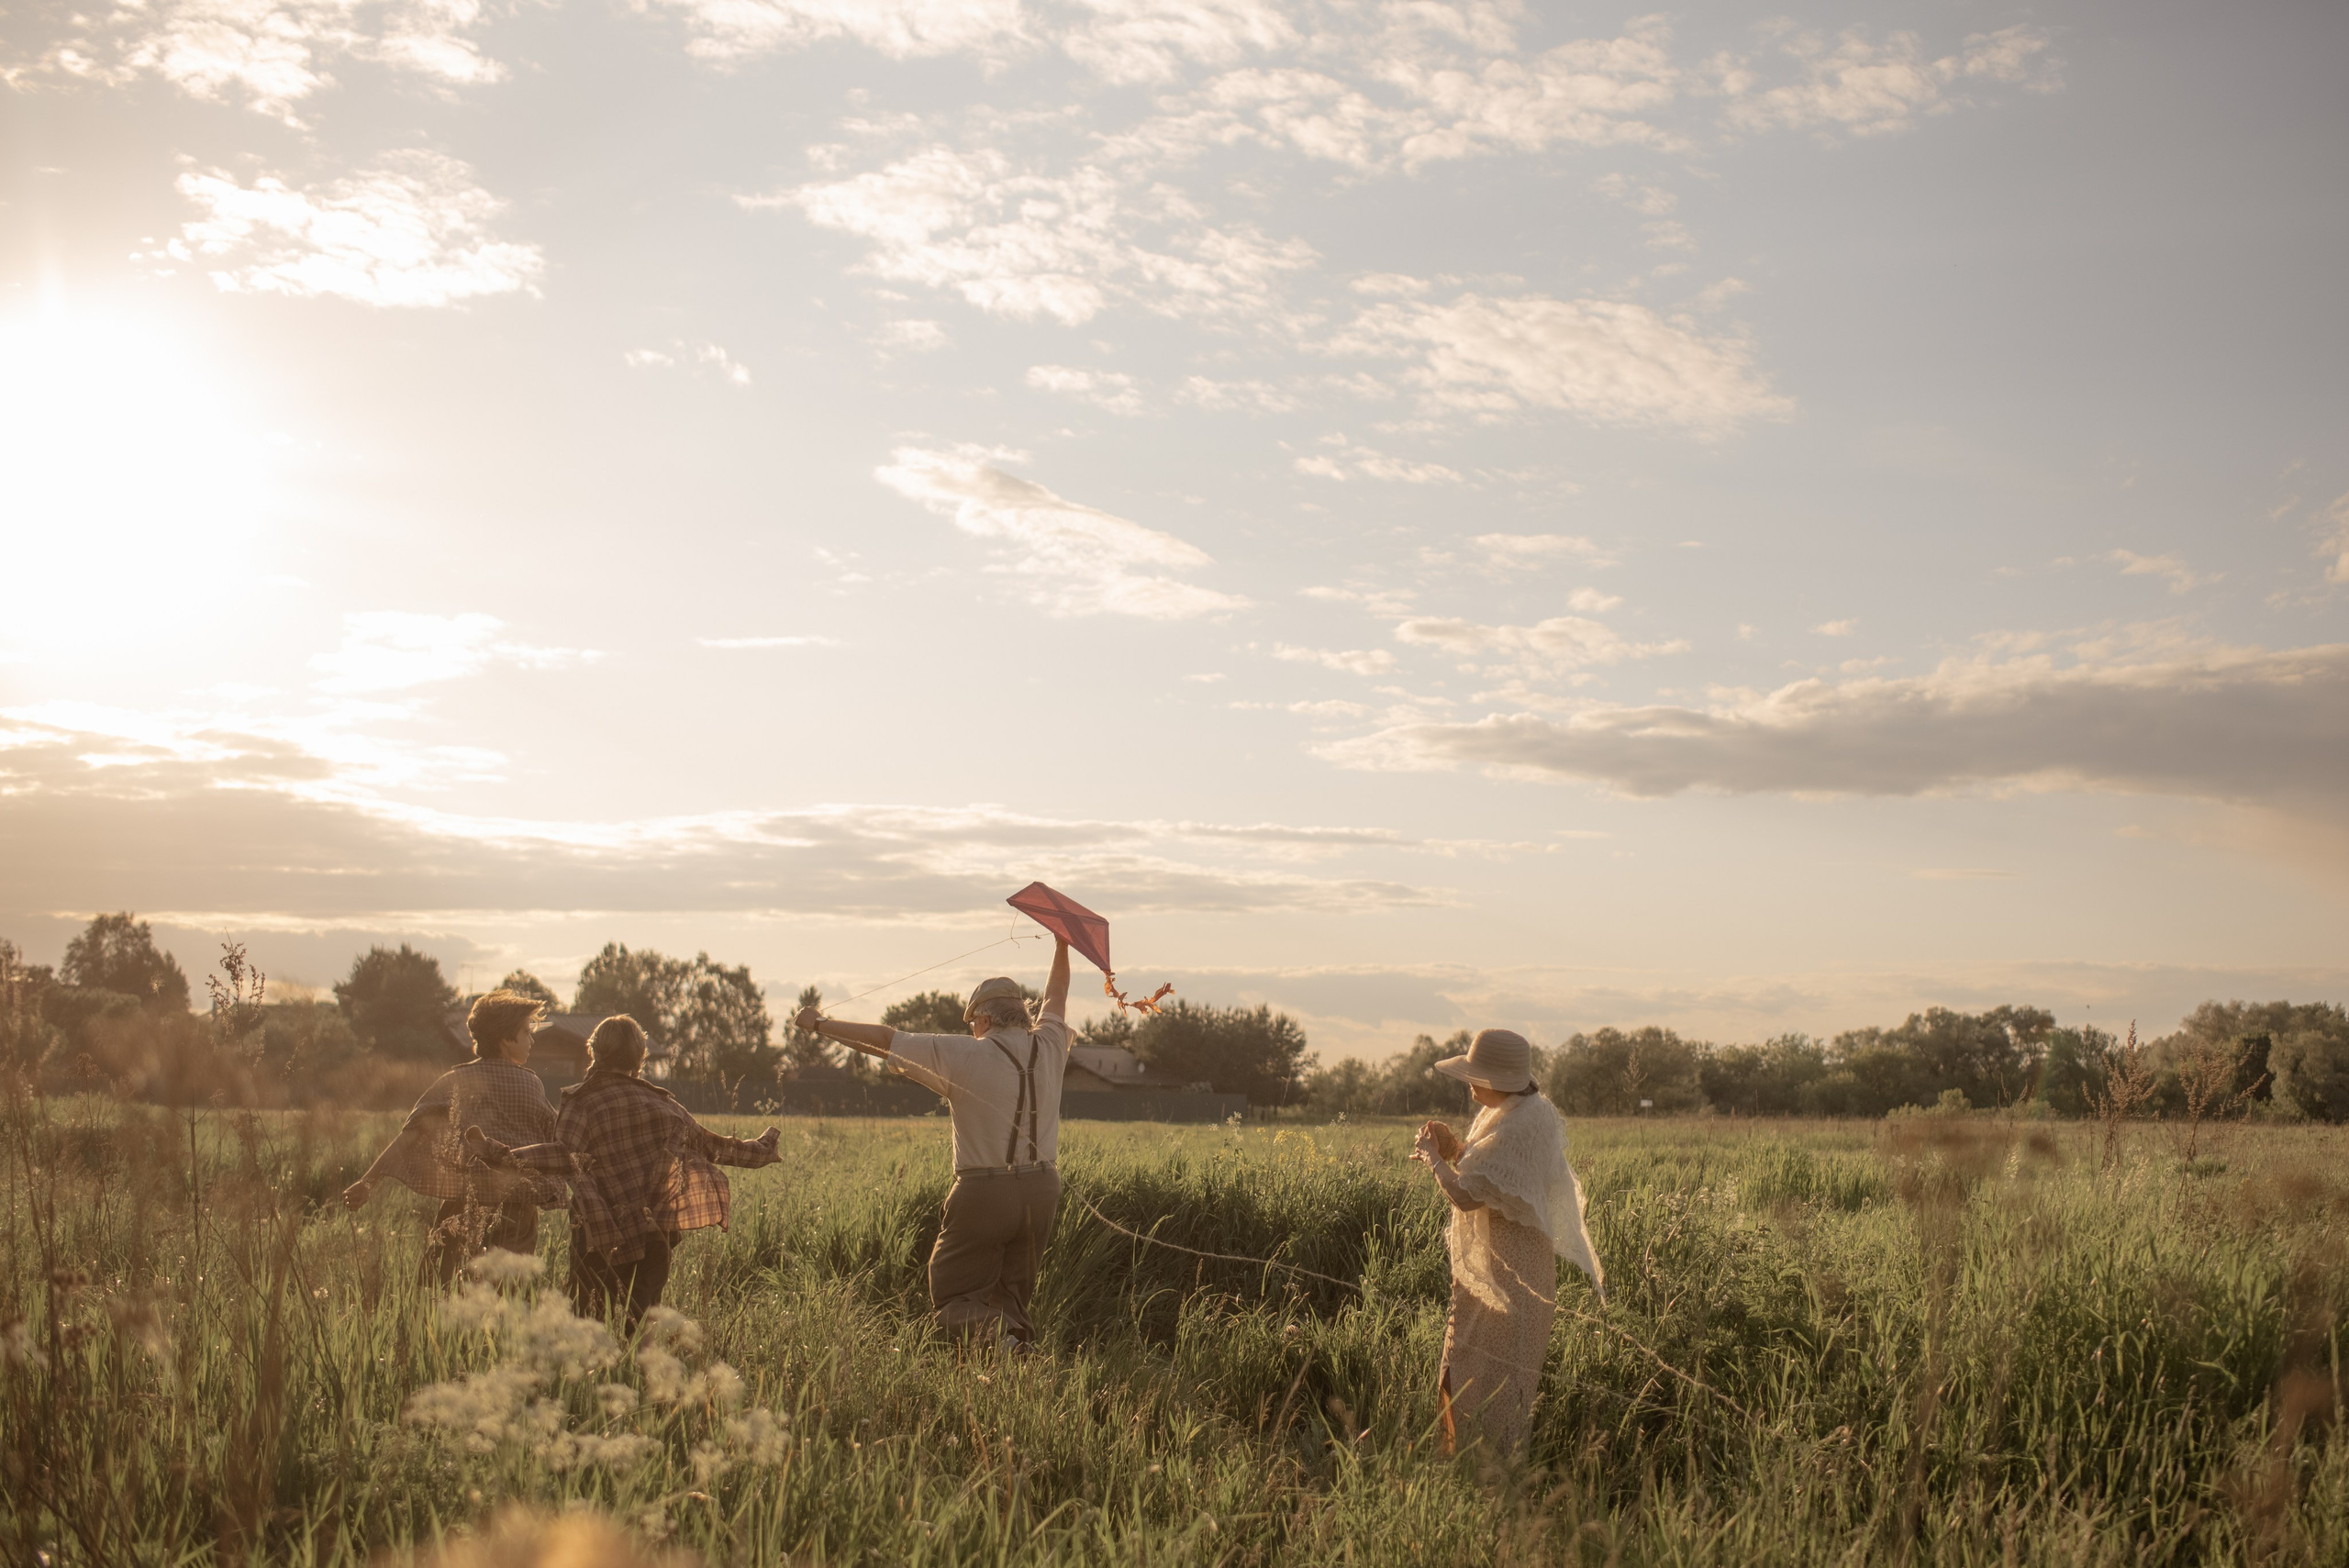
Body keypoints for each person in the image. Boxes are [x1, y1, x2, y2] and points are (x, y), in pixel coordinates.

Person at [794, 937, 1072, 1349]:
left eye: (972, 1023)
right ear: (1021, 1013)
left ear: (984, 1020)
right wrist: (1062, 946)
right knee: (1013, 1295)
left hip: (983, 1192)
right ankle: (1018, 1355)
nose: (971, 1030)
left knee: (954, 1301)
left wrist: (819, 1025)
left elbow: (885, 1040)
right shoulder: (1050, 1043)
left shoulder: (963, 1054)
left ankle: (1005, 1347)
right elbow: (1057, 995)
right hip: (1043, 1189)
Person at [473, 1015, 782, 1330]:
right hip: (653, 1233)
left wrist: (505, 1156)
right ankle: (639, 1372)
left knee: (588, 1318)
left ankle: (592, 1375)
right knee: (645, 1321)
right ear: (639, 1058)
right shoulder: (663, 1104)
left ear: (594, 1052)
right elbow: (714, 1146)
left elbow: (563, 1155)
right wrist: (762, 1148)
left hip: (599, 1234)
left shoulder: (582, 1102)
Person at [1411, 1028, 1605, 1460]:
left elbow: (1466, 1195)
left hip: (1511, 1277)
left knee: (1489, 1380)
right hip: (1507, 1267)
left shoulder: (1519, 1124)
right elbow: (1495, 1179)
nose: (1469, 1083)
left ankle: (1485, 1480)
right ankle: (1463, 1471)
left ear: (1497, 1078)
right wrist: (1455, 1148)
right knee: (1466, 1364)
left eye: (1475, 1075)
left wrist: (1434, 1159)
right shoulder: (1518, 1110)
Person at [343, 988, 566, 1284]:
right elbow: (557, 1140)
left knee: (444, 1283)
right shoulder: (532, 1085)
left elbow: (410, 1134)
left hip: (463, 1203)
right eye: (527, 1032)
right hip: (517, 1207)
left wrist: (367, 1182)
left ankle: (442, 1329)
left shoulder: (455, 1080)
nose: (532, 1040)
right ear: (506, 1039)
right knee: (509, 1292)